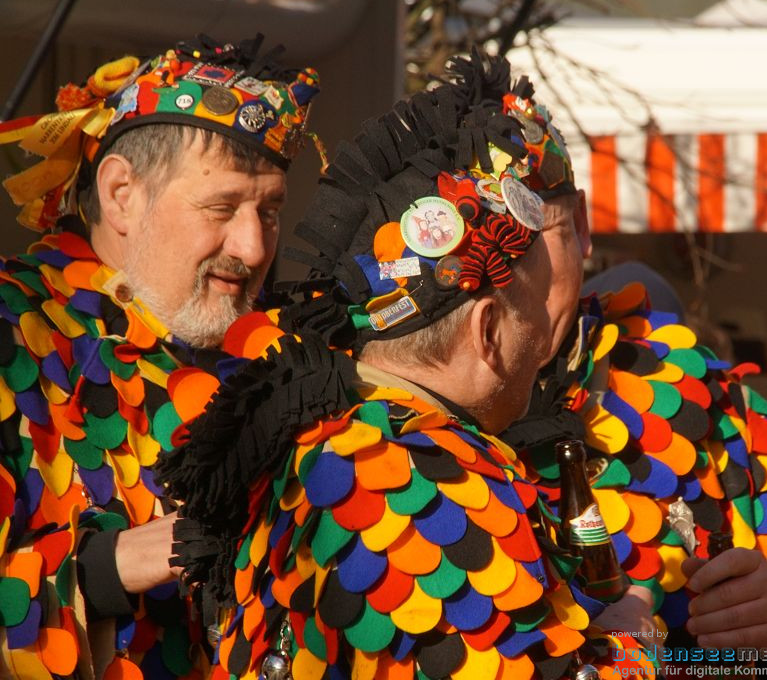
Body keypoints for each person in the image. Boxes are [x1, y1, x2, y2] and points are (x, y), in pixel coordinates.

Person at [156, 52, 662, 678]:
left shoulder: (332, 445)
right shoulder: (413, 478)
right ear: (488, 333)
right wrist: (640, 640)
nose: (544, 351)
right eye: (529, 322)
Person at [0, 35, 319, 679]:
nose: (254, 247)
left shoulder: (290, 360)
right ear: (121, 195)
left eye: (270, 210)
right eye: (222, 208)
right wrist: (106, 568)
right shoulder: (10, 336)